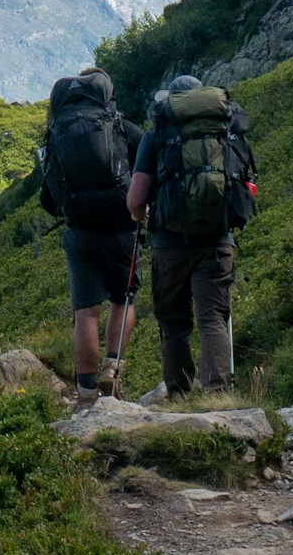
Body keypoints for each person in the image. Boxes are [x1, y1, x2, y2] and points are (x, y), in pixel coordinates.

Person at [128, 74, 257, 396]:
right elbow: (248, 185)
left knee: (174, 325)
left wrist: (141, 216)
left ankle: (179, 394)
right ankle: (218, 393)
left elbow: (135, 199)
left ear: (171, 103)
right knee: (212, 318)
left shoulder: (155, 134)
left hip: (169, 243)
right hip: (217, 241)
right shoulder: (225, 130)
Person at [36, 69, 144, 402]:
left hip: (79, 232)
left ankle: (85, 392)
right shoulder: (123, 129)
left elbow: (47, 198)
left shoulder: (57, 132)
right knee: (123, 300)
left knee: (85, 312)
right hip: (123, 227)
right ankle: (112, 368)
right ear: (106, 95)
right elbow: (146, 176)